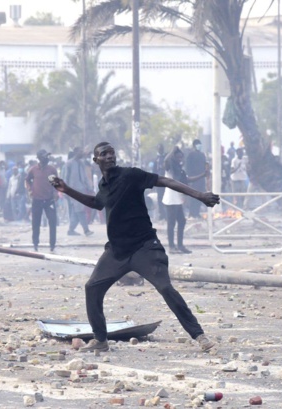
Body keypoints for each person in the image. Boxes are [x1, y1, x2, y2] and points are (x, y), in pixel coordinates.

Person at [49, 141, 220, 353]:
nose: (110, 156)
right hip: (117, 251)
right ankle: (100, 340)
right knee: (92, 288)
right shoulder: (104, 185)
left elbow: (164, 180)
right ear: (96, 160)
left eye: (112, 153)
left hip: (144, 247)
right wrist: (66, 189)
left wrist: (200, 196)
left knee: (166, 289)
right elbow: (96, 203)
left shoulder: (130, 175)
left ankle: (199, 336)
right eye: (104, 154)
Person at [162, 146, 208, 254]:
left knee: (182, 221)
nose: (180, 160)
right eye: (178, 158)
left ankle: (180, 245)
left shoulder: (179, 170)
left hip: (177, 199)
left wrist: (203, 175)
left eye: (181, 158)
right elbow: (167, 160)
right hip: (170, 199)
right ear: (174, 157)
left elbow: (187, 179)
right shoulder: (169, 166)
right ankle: (171, 247)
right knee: (171, 223)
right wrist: (174, 150)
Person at [26, 149, 58, 252]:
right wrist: (30, 190)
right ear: (40, 158)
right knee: (36, 223)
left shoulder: (52, 169)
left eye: (48, 156)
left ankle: (52, 245)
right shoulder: (33, 169)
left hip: (49, 200)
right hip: (37, 200)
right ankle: (35, 243)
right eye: (45, 156)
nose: (47, 158)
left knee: (53, 222)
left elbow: (56, 183)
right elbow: (27, 180)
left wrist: (56, 192)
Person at [64, 147, 94, 237]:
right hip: (73, 191)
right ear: (76, 152)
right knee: (80, 211)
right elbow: (65, 178)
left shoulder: (81, 164)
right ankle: (86, 230)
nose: (82, 153)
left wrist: (90, 188)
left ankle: (71, 230)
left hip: (81, 190)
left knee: (76, 211)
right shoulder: (69, 164)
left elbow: (85, 177)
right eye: (81, 152)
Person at [185, 139, 207, 219]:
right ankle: (192, 213)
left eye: (200, 144)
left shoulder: (202, 155)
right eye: (198, 144)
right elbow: (187, 167)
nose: (199, 145)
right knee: (193, 197)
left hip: (201, 179)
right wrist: (189, 179)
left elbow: (205, 165)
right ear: (194, 145)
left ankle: (197, 213)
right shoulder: (190, 155)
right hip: (193, 179)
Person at [154, 144, 167, 221]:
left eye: (161, 148)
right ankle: (161, 214)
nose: (160, 149)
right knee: (160, 198)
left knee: (165, 197)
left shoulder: (165, 157)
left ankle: (165, 215)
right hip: (159, 181)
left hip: (165, 180)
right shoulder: (156, 159)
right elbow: (154, 171)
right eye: (159, 148)